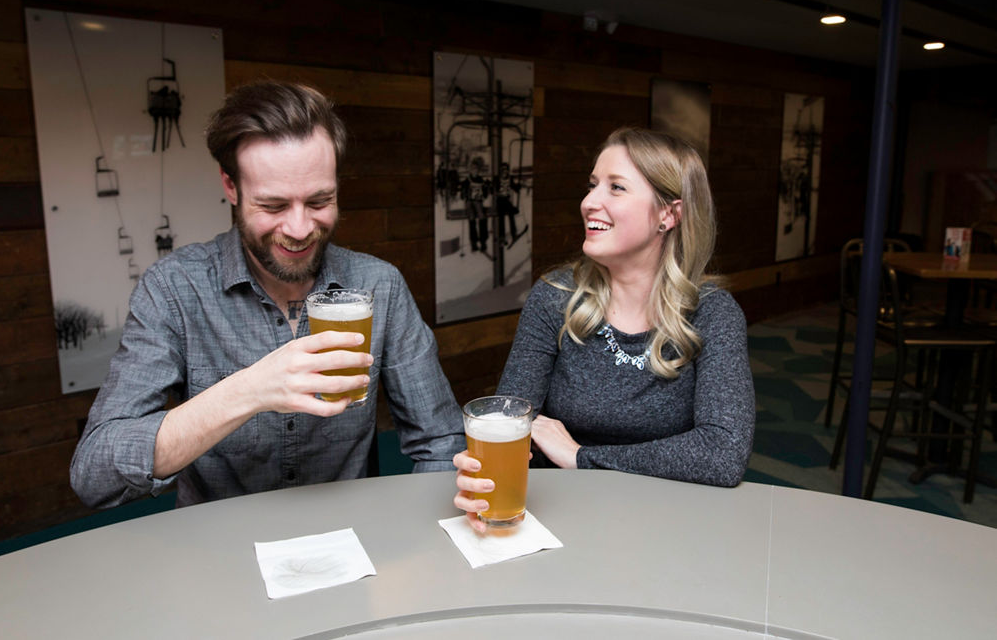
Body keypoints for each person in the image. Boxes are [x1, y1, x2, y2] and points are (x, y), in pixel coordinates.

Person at [71, 81, 465, 509]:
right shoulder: (173, 289)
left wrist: (404, 532)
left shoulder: (379, 285)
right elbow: (95, 474)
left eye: (320, 200)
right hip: (221, 555)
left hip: (352, 547)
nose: (299, 229)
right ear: (231, 187)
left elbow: (441, 441)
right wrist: (248, 392)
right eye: (273, 206)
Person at [454, 127, 755, 531]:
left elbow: (723, 452)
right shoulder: (555, 298)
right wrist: (481, 480)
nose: (589, 202)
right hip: (563, 517)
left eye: (616, 188)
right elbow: (511, 420)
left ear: (669, 214)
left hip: (669, 523)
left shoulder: (712, 314)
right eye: (593, 185)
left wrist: (580, 457)